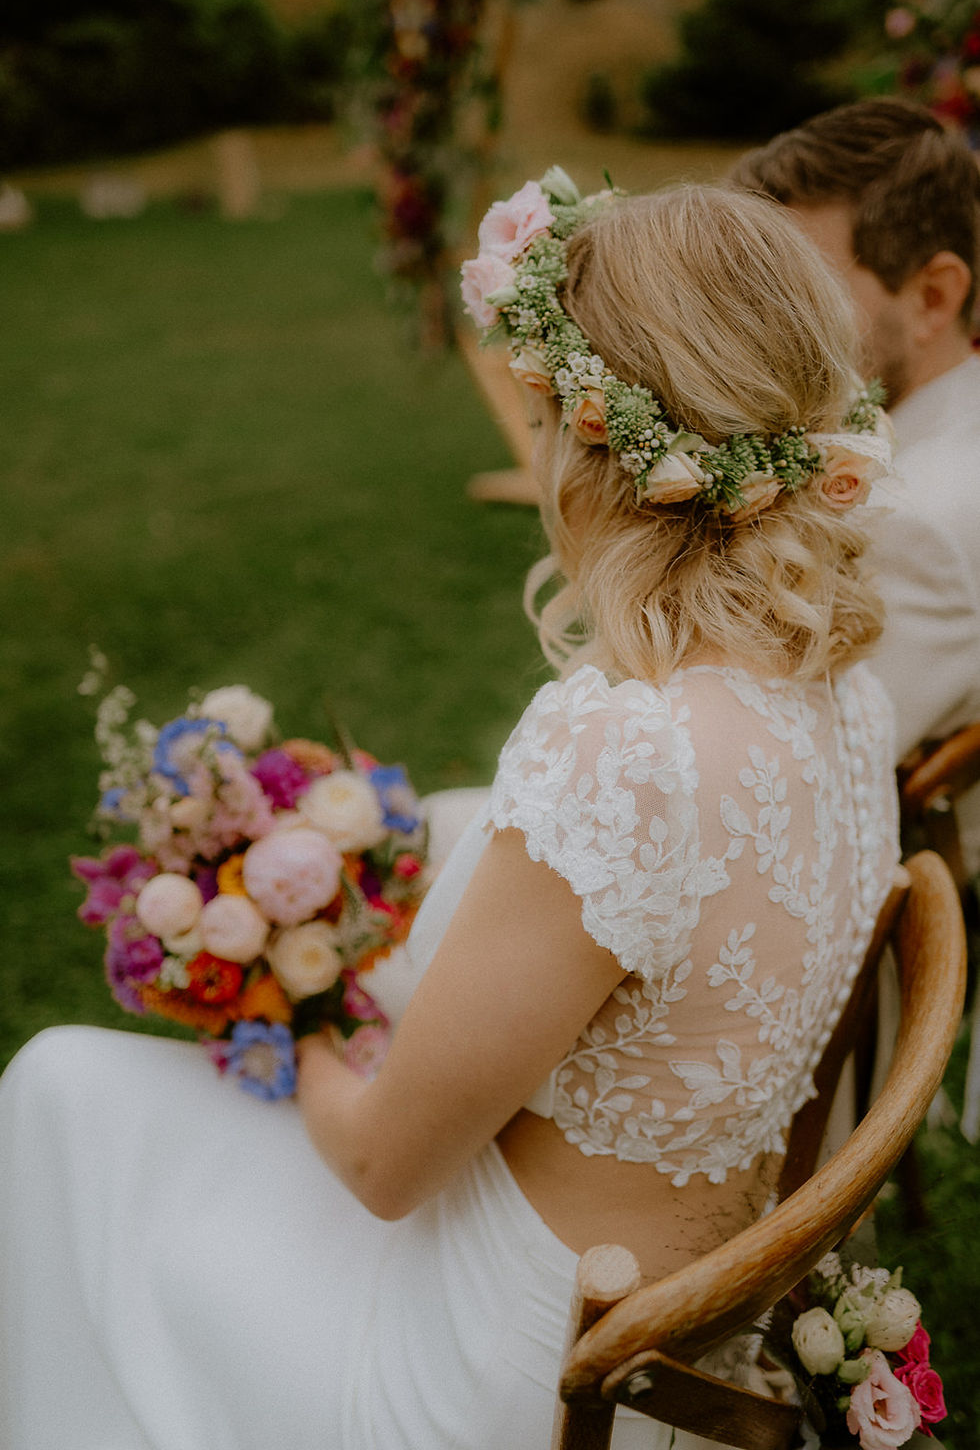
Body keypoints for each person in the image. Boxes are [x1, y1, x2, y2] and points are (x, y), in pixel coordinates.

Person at [0, 179, 901, 1450]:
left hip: (512, 1361)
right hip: (683, 1320)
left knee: (60, 1083)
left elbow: (380, 1168)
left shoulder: (622, 745)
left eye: (544, 414)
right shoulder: (844, 691)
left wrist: (291, 1001)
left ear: (595, 445)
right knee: (103, 1105)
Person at [730, 99, 980, 862]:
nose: (764, 319)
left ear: (933, 297)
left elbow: (780, 786)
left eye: (805, 287)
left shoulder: (916, 519)